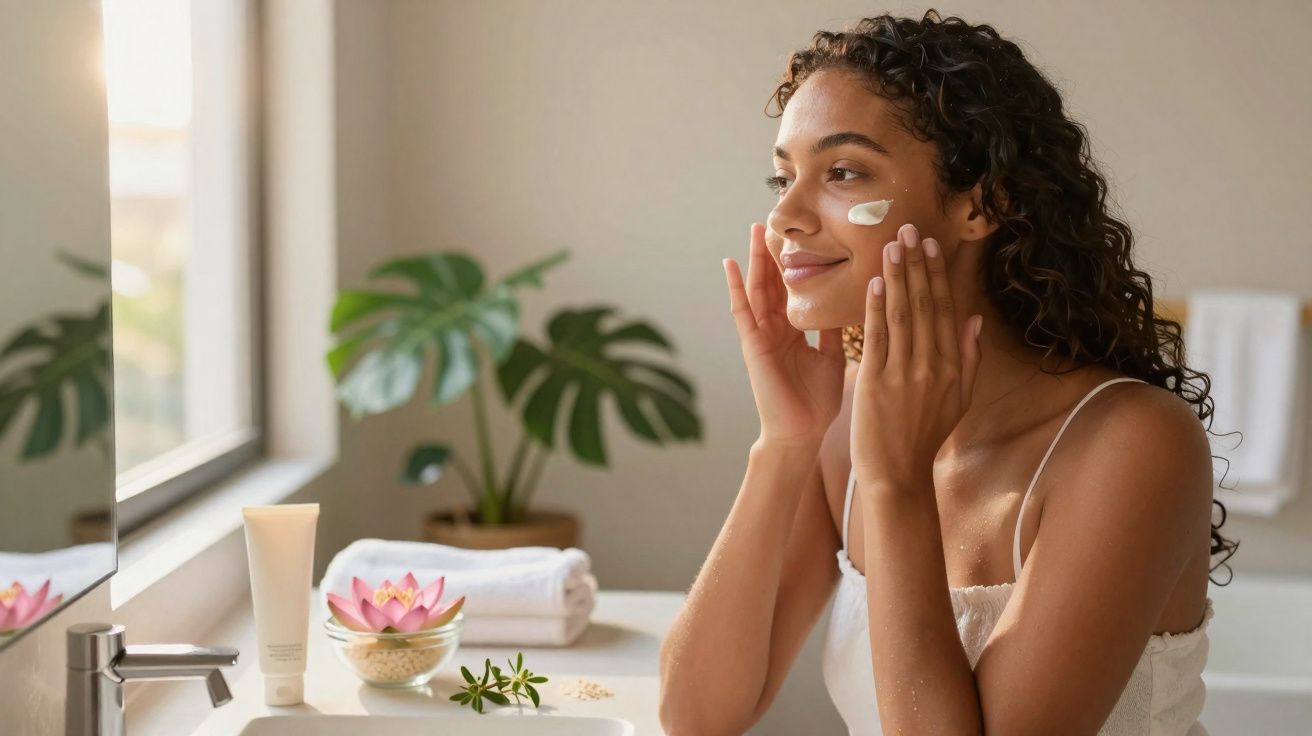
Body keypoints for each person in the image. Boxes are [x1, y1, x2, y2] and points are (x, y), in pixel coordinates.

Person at [658, 9, 1237, 735]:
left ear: (981, 203)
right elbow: (695, 716)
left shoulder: (1133, 444)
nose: (785, 218)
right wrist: (785, 443)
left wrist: (899, 486)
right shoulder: (841, 428)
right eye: (781, 177)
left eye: (842, 172)